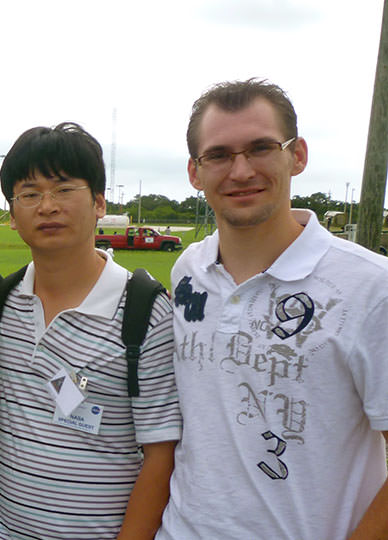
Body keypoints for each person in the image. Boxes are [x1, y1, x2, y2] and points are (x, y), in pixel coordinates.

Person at [157, 79, 388, 539]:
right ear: (194, 172)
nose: (240, 171)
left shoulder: (371, 287)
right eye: (218, 155)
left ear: (297, 155)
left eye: (261, 148)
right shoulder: (189, 270)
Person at [0, 122, 180, 539]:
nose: (47, 206)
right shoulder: (6, 301)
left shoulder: (146, 313)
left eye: (64, 189)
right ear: (12, 215)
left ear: (100, 202)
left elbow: (162, 456)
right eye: (29, 194)